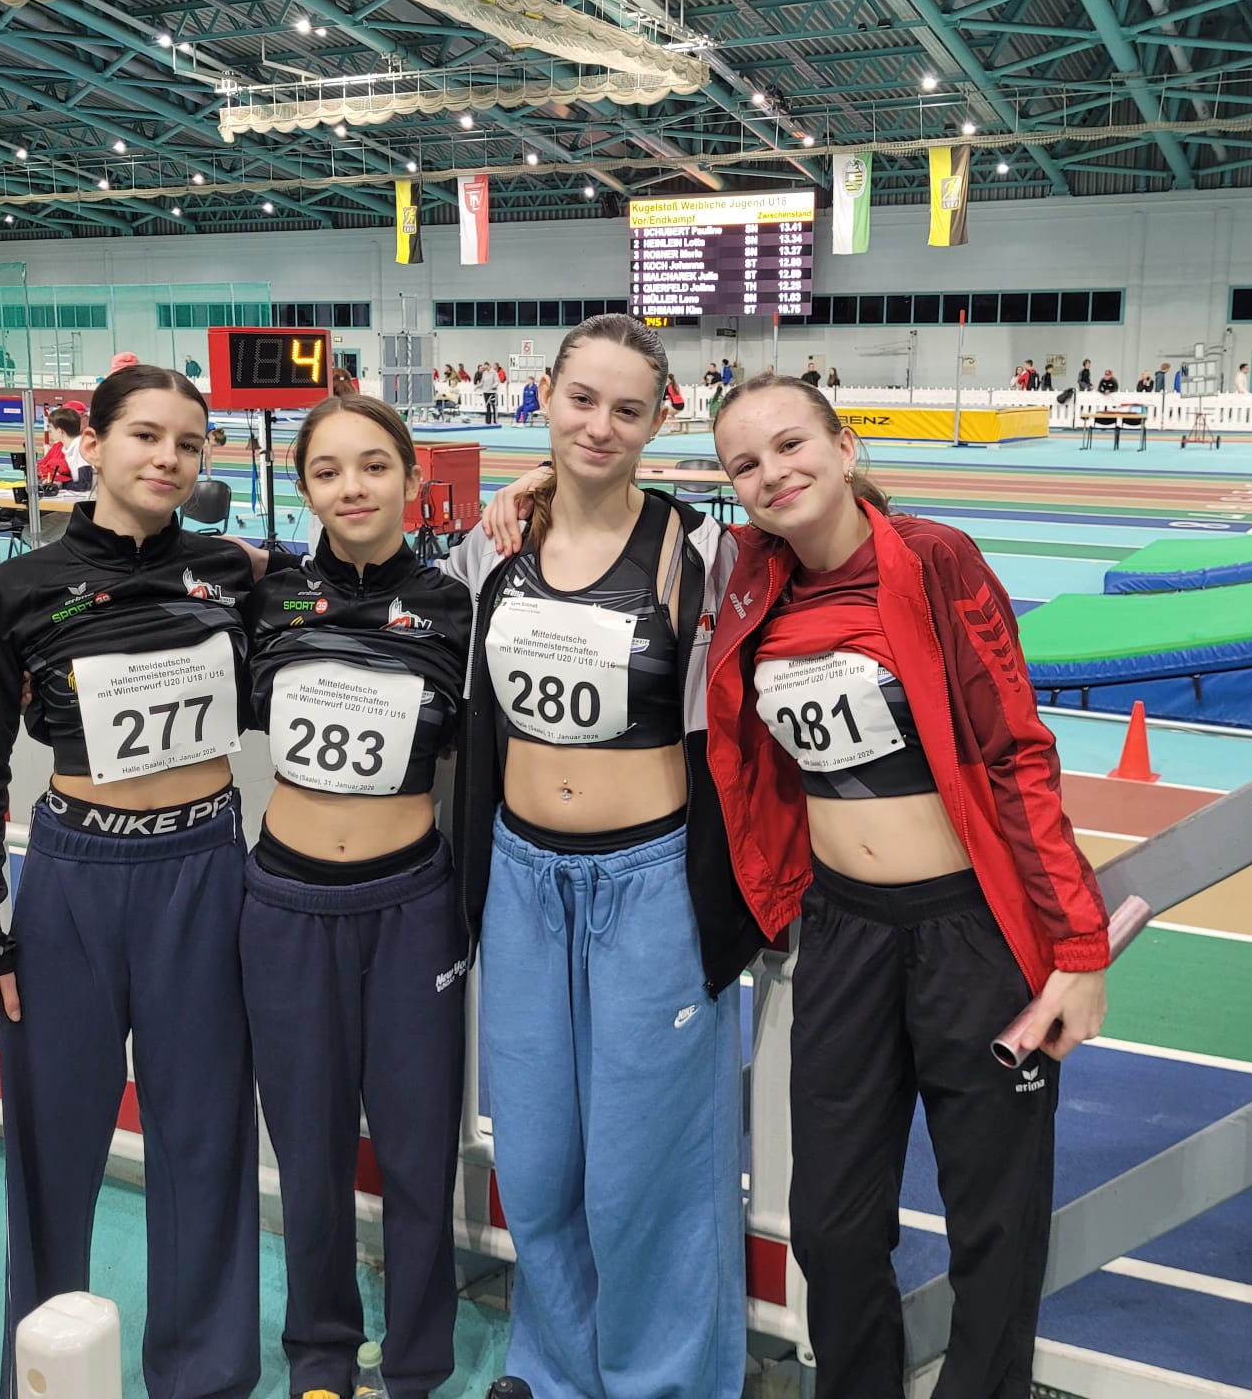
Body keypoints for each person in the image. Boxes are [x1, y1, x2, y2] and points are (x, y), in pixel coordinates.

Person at [705, 374, 1109, 1398]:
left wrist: (1078, 947)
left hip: (970, 935)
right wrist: (533, 484)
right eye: (744, 464)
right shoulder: (751, 579)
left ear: (845, 450)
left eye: (791, 445)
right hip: (842, 934)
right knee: (831, 1228)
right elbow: (621, 506)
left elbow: (1017, 751)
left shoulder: (934, 560)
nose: (771, 473)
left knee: (994, 1228)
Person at [0, 365, 266, 1399]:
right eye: (145, 436)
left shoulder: (230, 571)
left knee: (205, 1137)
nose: (169, 458)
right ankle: (44, 1370)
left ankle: (203, 1375)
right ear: (92, 444)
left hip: (204, 873)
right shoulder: (22, 589)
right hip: (74, 880)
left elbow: (351, 577)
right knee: (52, 1140)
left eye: (189, 443)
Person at [451, 314, 756, 1398]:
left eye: (628, 410)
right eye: (582, 400)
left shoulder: (699, 553)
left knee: (648, 1165)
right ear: (545, 396)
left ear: (658, 422)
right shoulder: (492, 548)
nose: (600, 426)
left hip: (652, 887)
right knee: (537, 1157)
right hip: (522, 880)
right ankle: (554, 1373)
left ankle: (665, 1385)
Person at [240, 396, 473, 1399]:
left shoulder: (458, 608)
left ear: (414, 479)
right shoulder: (266, 600)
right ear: (304, 487)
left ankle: (417, 1363)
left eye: (375, 466)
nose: (353, 488)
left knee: (419, 1154)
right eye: (328, 471)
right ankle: (321, 1356)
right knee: (310, 1152)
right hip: (287, 906)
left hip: (411, 906)